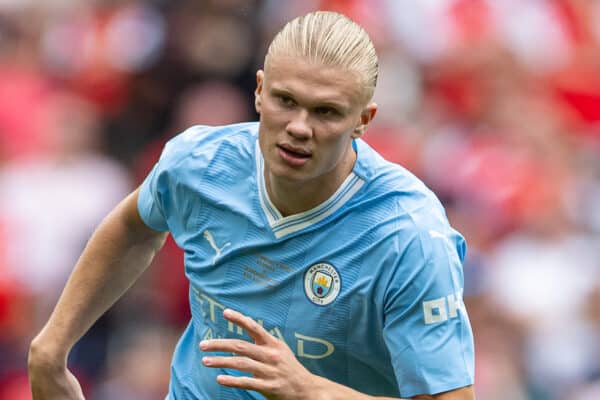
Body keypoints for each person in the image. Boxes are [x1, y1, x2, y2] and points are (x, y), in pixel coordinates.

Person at [28, 11, 475, 400]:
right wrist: (51, 348)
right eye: (286, 101)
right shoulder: (200, 165)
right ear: (260, 91)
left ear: (363, 120)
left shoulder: (407, 235)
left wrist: (311, 391)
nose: (299, 127)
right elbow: (134, 226)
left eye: (326, 112)